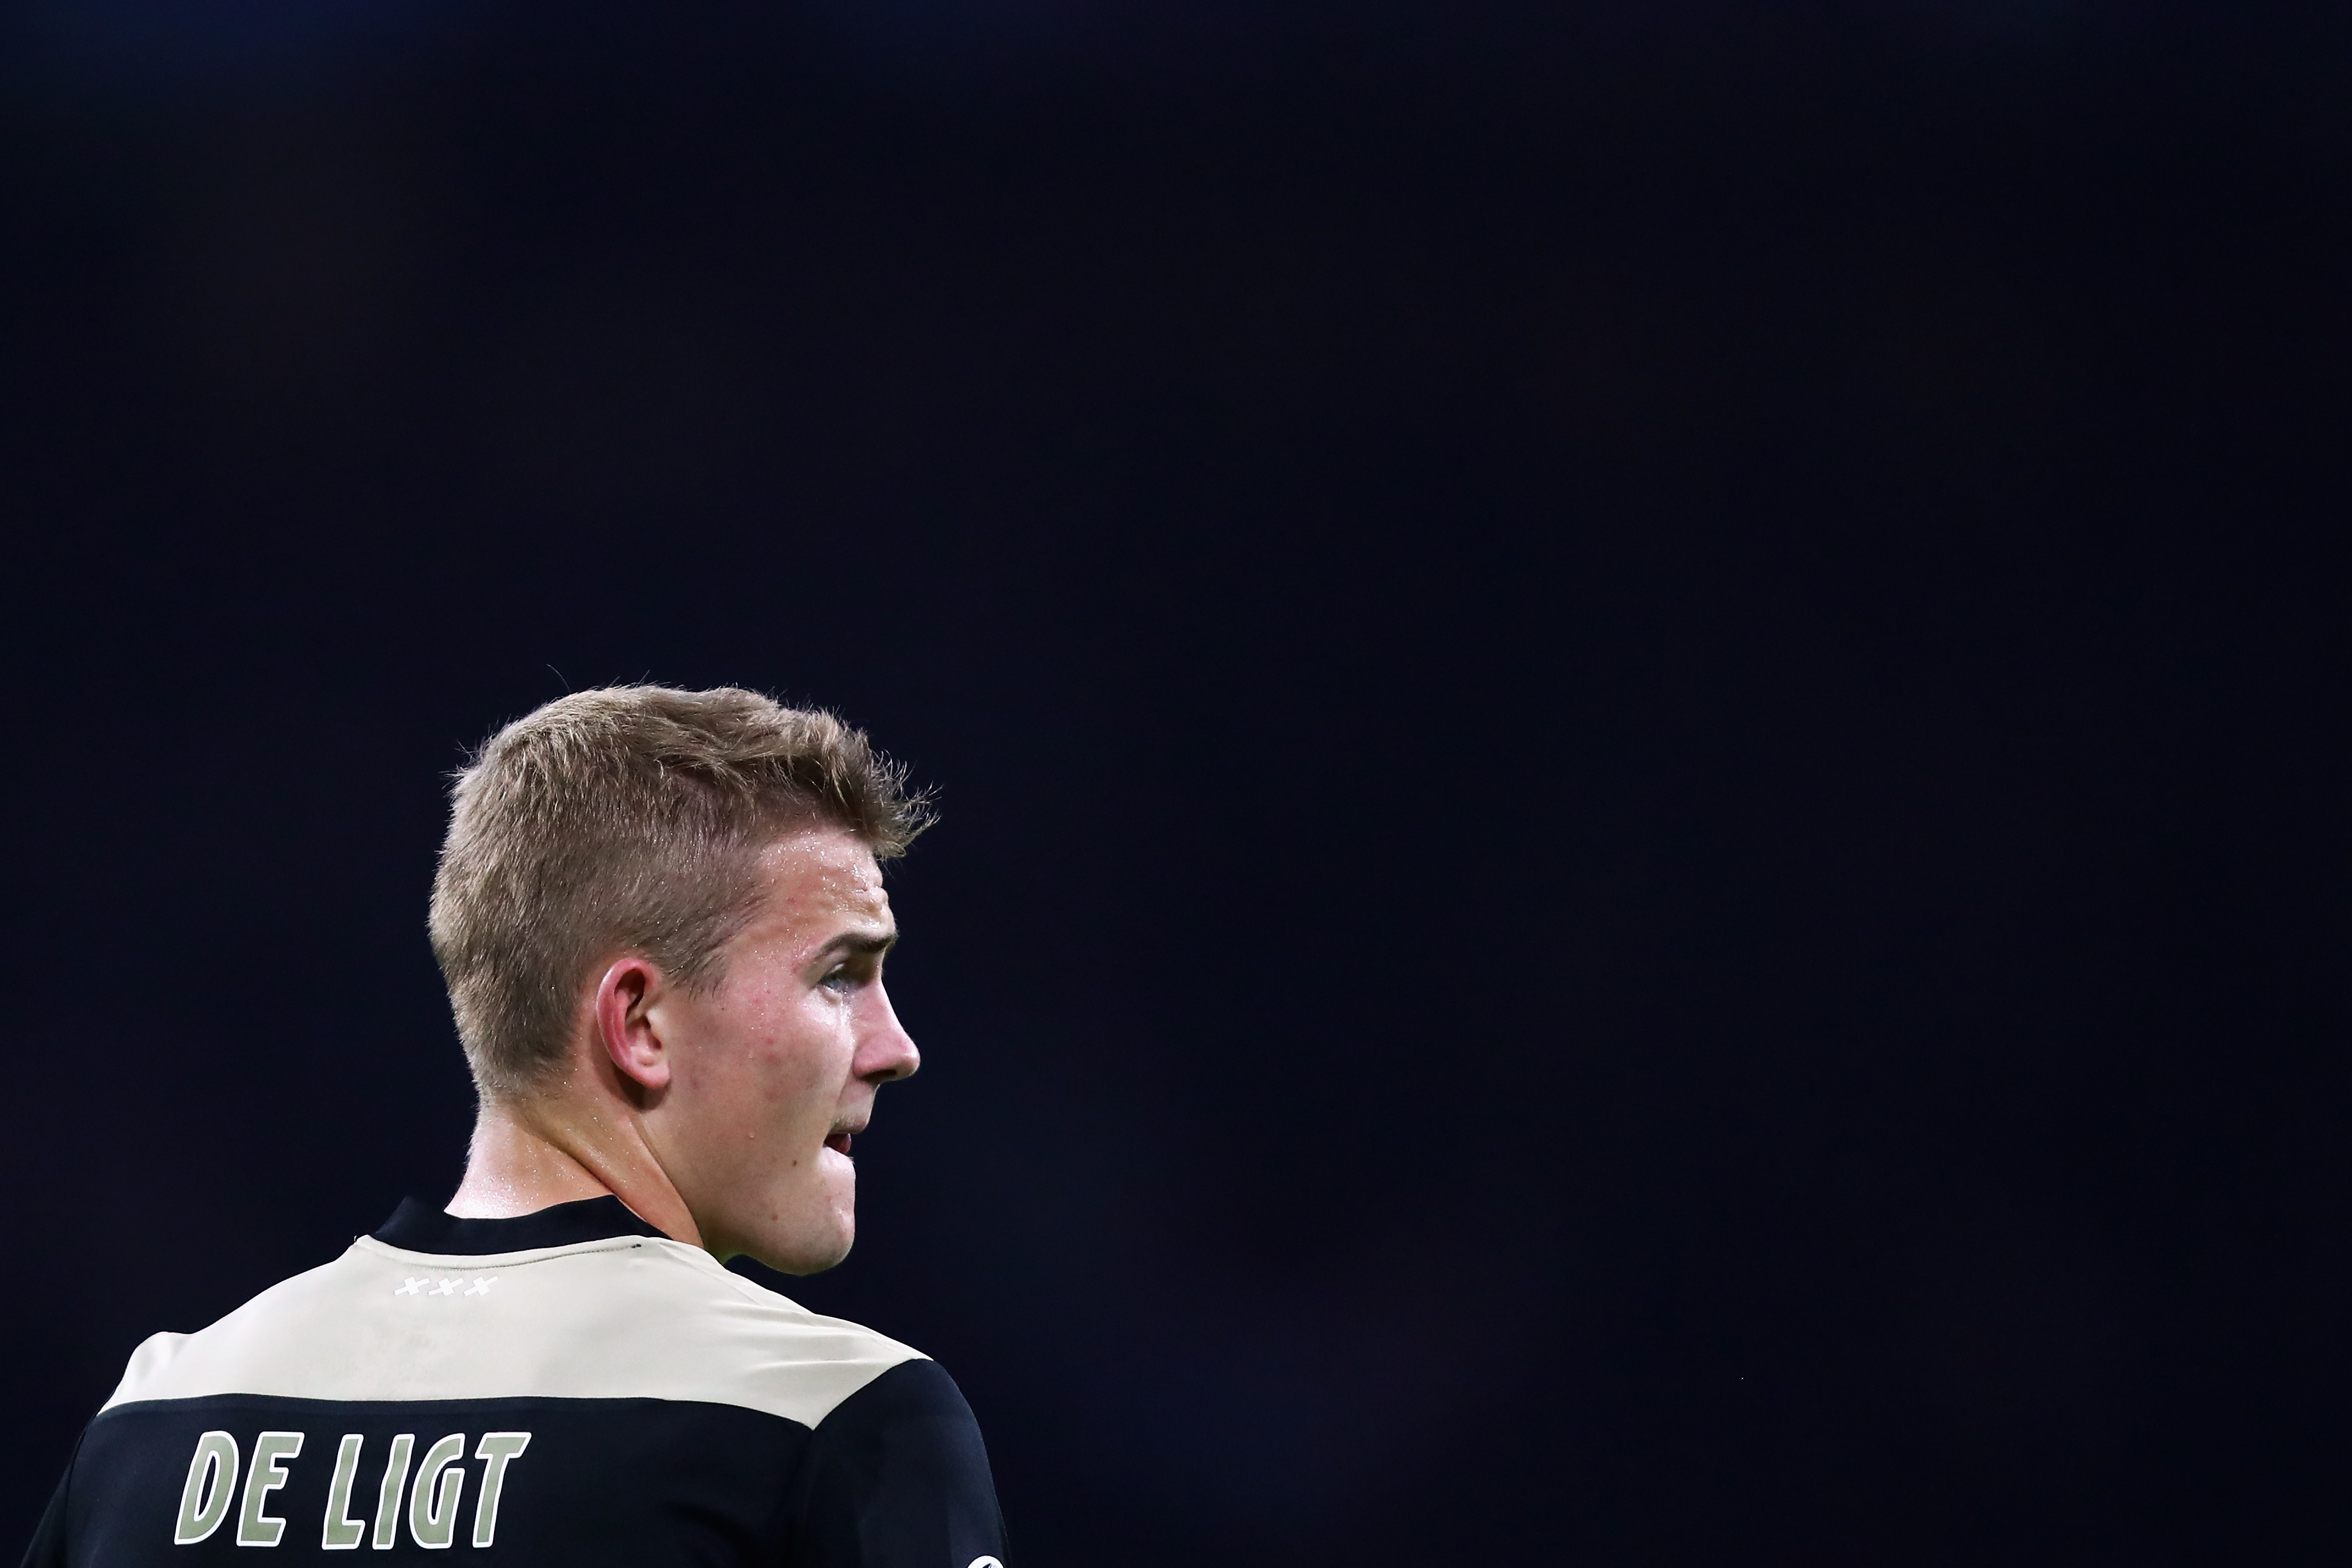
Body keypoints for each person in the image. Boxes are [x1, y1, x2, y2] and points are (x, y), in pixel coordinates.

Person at [21, 686, 1008, 1568]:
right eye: (839, 974)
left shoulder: (157, 1411)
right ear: (640, 1025)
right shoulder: (829, 1417)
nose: (897, 1046)